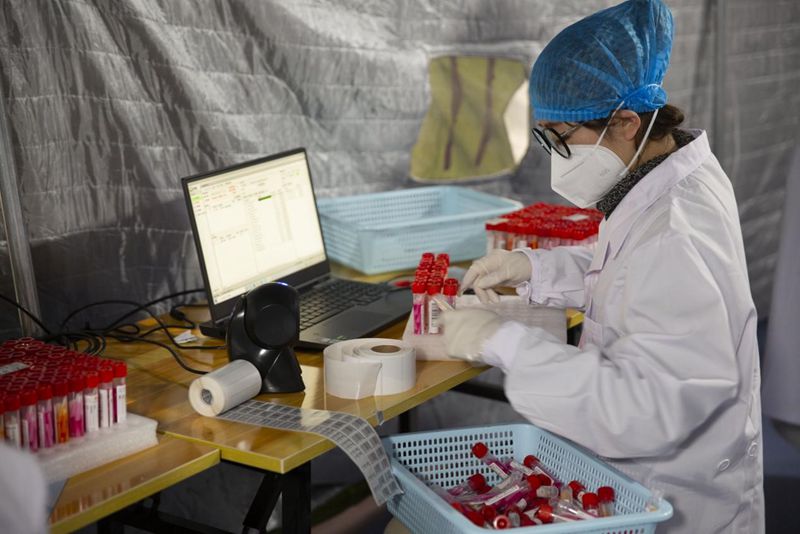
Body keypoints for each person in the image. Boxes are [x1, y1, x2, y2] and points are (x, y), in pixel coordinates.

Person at [441, 0, 764, 532]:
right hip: (652, 477)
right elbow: (629, 271)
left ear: (626, 122)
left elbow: (644, 407)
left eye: (561, 138)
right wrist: (532, 268)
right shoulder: (666, 180)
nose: (555, 157)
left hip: (676, 496)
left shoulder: (675, 233)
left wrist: (505, 343)